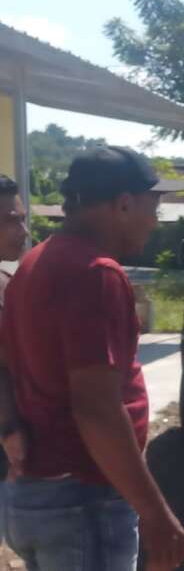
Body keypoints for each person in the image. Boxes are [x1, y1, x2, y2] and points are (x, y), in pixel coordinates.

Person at [0, 147, 184, 570]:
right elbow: (97, 409)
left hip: (39, 496)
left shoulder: (34, 264)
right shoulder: (95, 274)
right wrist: (156, 514)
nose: (154, 221)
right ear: (123, 204)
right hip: (82, 500)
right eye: (153, 208)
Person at [0, 174, 29, 550]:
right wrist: (9, 431)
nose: (23, 230)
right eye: (11, 220)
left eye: (21, 219)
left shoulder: (7, 281)